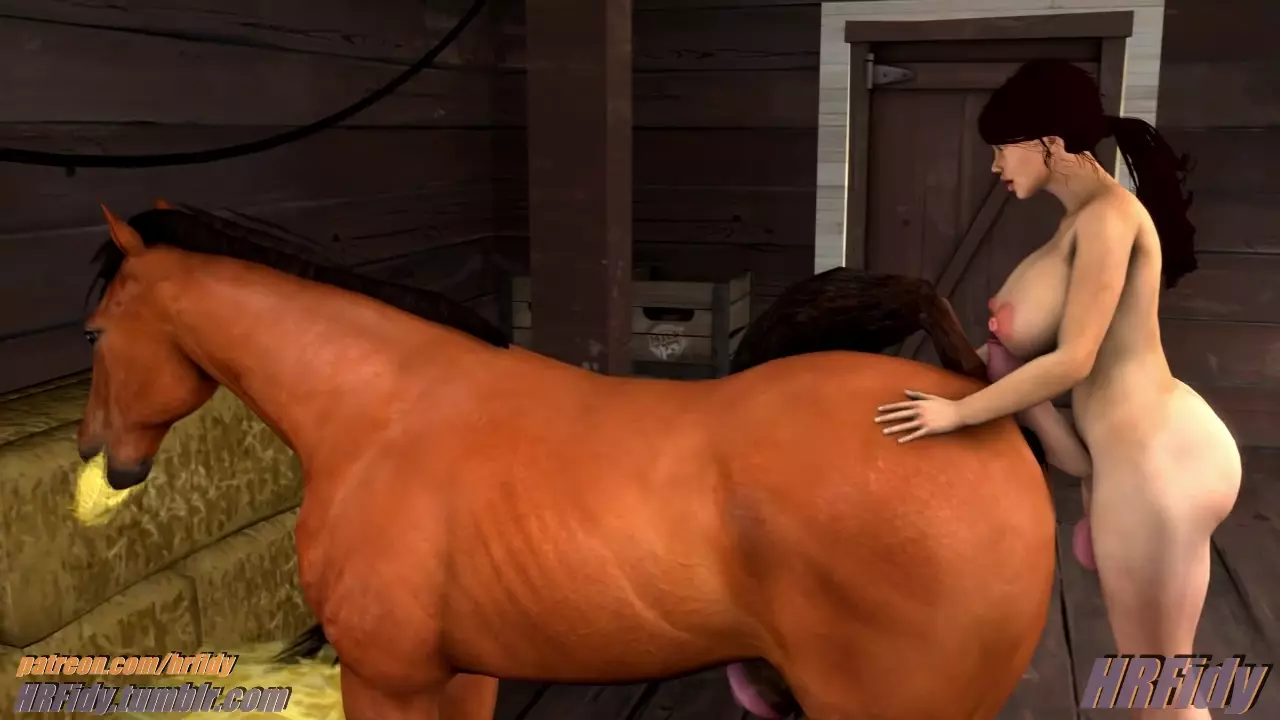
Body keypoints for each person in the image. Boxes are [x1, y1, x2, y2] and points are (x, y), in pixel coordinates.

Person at [872, 59, 1241, 719]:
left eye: (1002, 148)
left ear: (1047, 143)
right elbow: (1070, 434)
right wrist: (1008, 388)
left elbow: (1075, 360)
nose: (995, 165)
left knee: (1159, 690)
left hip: (1158, 461)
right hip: (1126, 456)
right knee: (1156, 681)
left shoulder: (1108, 220)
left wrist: (961, 413)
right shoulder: (1079, 221)